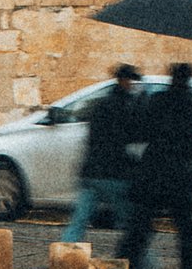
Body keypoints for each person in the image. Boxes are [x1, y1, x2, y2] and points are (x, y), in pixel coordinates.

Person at [125, 61, 192, 269]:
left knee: (140, 227)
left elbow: (141, 129)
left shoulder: (157, 100)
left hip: (154, 171)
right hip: (180, 176)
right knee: (186, 231)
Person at [60, 63, 147, 246]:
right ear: (124, 81)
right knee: (133, 226)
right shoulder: (125, 107)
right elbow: (131, 138)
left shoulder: (103, 103)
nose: (135, 84)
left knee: (79, 222)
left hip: (92, 172)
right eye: (133, 80)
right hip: (113, 174)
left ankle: (63, 260)